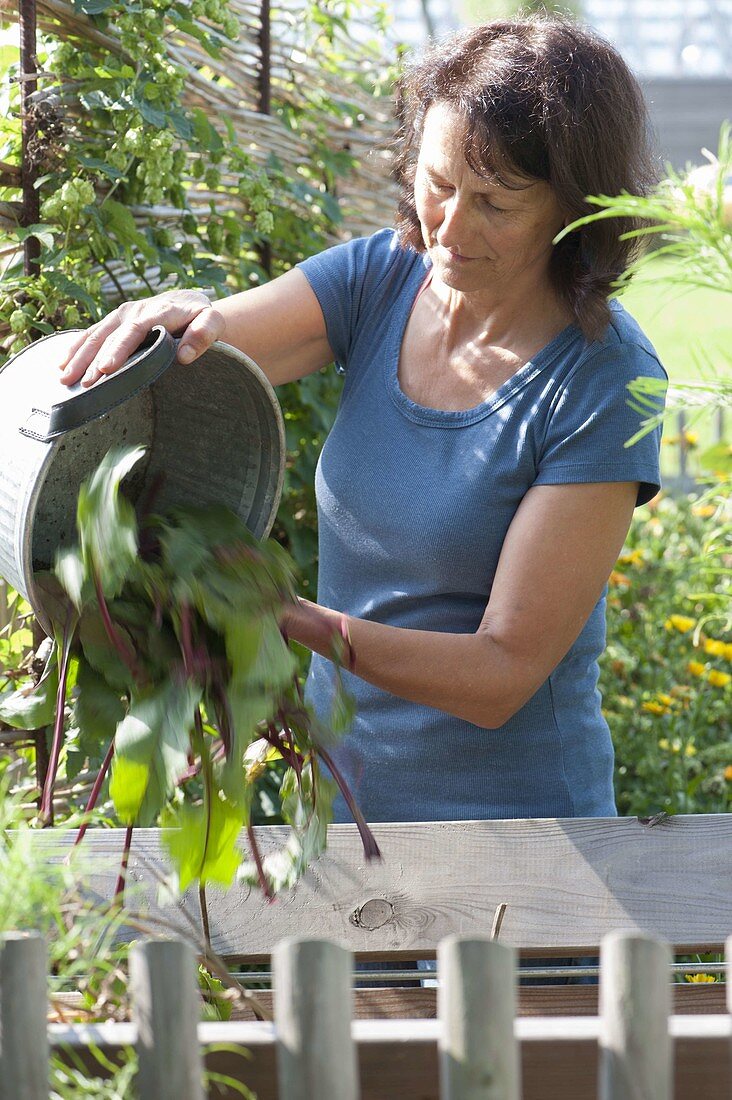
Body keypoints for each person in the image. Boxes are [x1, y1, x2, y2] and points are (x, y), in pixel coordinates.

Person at [58, 14, 667, 831]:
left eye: (495, 202)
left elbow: (501, 675)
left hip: (525, 843)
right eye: (439, 183)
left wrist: (285, 618)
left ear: (574, 210)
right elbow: (209, 356)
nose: (449, 229)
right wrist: (178, 321)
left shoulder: (601, 379)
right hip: (348, 827)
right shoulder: (380, 281)